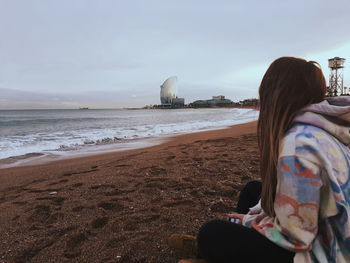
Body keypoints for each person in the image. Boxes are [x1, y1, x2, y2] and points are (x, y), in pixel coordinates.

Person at [168, 57, 350, 263]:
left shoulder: (298, 146)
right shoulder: (323, 129)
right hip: (331, 234)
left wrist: (248, 222)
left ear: (274, 96)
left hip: (323, 253)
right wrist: (255, 221)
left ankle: (220, 252)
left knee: (211, 233)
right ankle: (226, 251)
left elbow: (298, 237)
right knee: (253, 190)